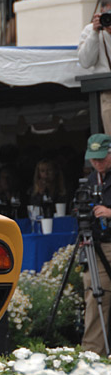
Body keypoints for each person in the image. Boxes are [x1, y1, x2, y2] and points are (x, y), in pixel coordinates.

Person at [81, 133, 111, 356]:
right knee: (95, 294)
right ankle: (92, 355)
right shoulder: (90, 181)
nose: (97, 163)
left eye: (102, 158)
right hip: (97, 244)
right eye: (94, 159)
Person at [78, 0, 111, 134]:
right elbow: (85, 62)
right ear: (101, 12)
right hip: (107, 91)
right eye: (107, 14)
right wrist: (95, 33)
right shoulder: (90, 30)